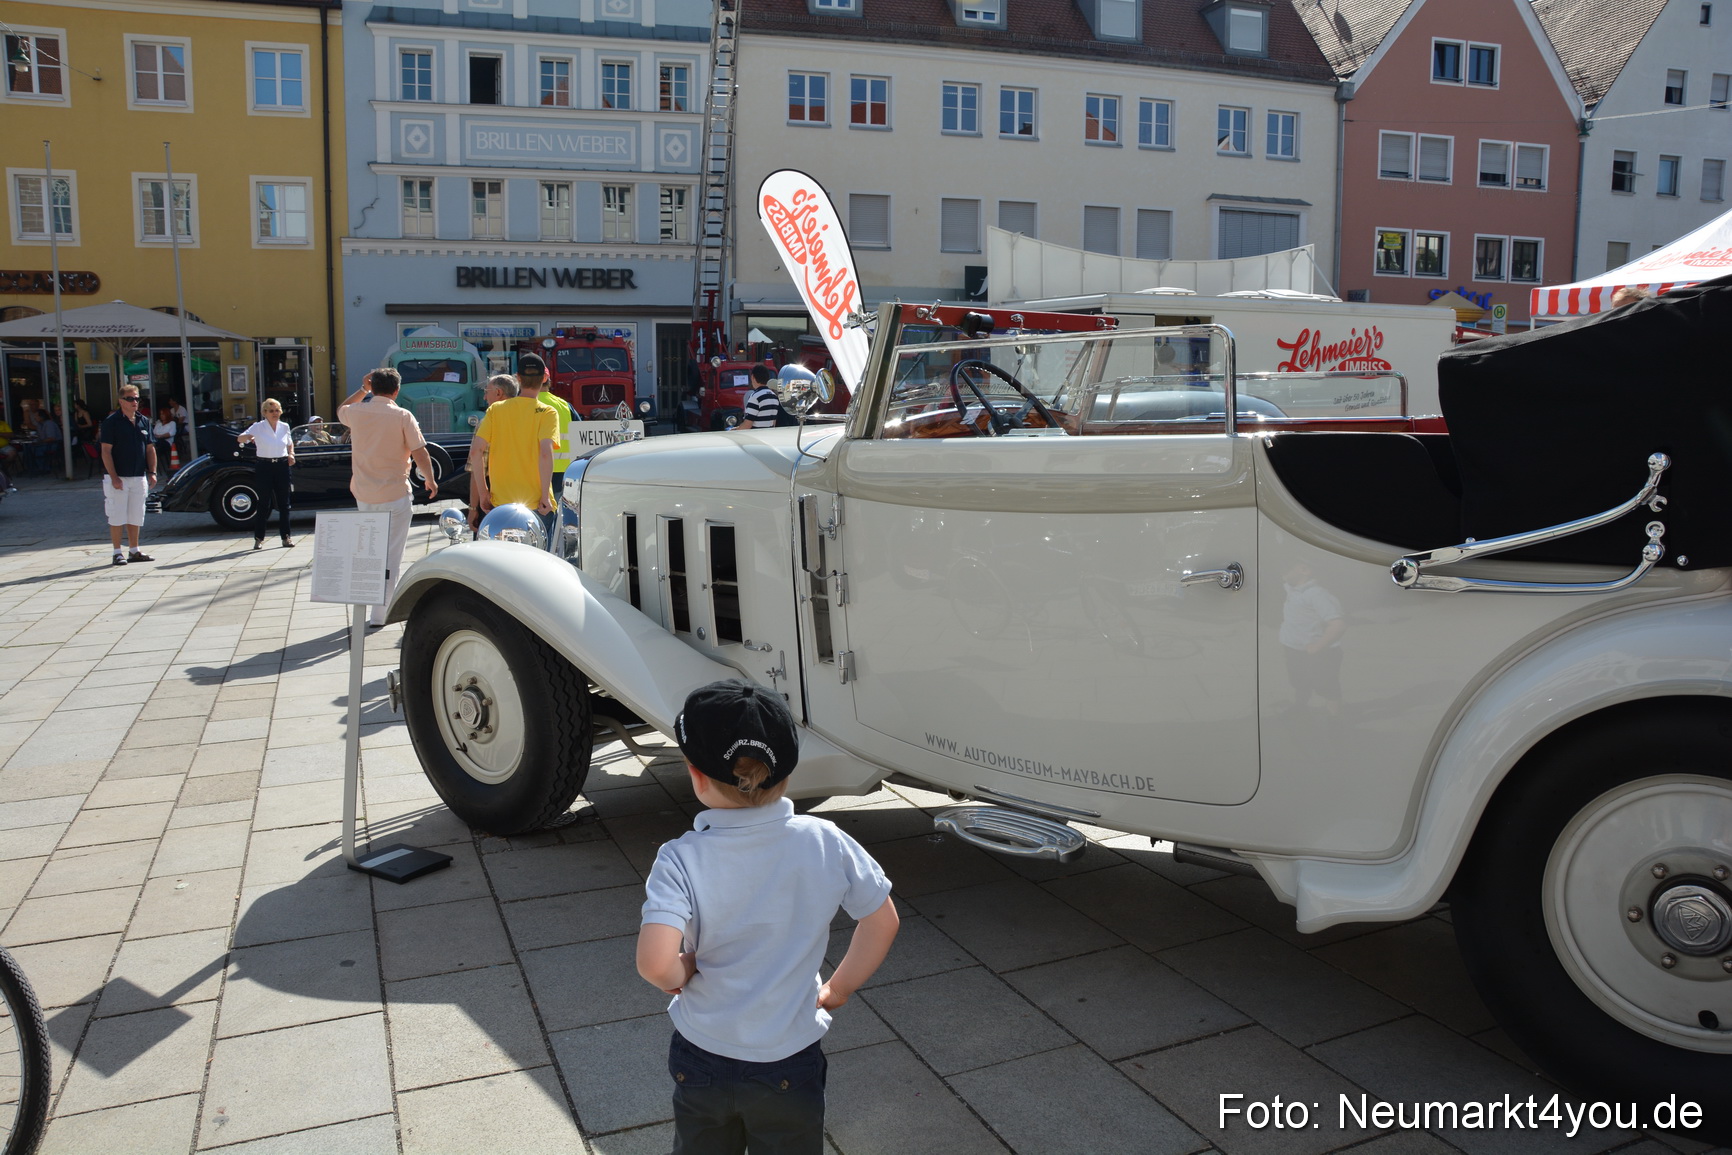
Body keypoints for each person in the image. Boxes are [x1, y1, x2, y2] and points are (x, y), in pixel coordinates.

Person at [637, 680, 900, 1155]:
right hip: (788, 1055)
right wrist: (838, 989)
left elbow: (656, 965)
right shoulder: (826, 840)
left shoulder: (679, 858)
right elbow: (882, 921)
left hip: (702, 1052)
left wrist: (684, 969)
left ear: (695, 775)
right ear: (788, 773)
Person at [338, 369, 438, 628]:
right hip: (394, 492)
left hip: (364, 492)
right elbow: (420, 451)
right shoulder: (403, 415)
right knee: (392, 554)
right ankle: (380, 614)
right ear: (396, 390)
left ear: (373, 388)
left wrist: (363, 389)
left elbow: (342, 408)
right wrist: (429, 478)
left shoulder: (357, 412)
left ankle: (366, 605)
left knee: (369, 551)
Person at [470, 372, 555, 529]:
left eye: (486, 392)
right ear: (543, 379)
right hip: (536, 503)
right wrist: (545, 495)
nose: (484, 397)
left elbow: (476, 453)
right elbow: (545, 453)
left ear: (519, 378)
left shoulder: (494, 412)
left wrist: (480, 497)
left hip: (500, 501)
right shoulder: (548, 411)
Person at [99, 386, 157, 566]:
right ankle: (117, 552)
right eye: (130, 399)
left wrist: (152, 472)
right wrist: (114, 477)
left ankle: (134, 550)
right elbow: (106, 451)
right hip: (119, 476)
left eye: (137, 399)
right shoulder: (111, 422)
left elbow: (150, 448)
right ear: (121, 401)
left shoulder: (143, 421)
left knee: (136, 514)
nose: (135, 402)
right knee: (117, 515)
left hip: (138, 475)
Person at [236, 399, 296, 549]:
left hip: (281, 465)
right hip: (265, 465)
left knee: (284, 503)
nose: (274, 413)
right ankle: (259, 538)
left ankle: (286, 537)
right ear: (264, 413)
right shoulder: (258, 427)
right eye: (271, 411)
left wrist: (291, 454)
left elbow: (289, 442)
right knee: (264, 502)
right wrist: (249, 437)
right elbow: (240, 438)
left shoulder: (284, 426)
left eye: (277, 410)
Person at [519, 353, 574, 499]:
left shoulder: (522, 403)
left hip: (532, 469)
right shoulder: (564, 405)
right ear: (547, 380)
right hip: (562, 470)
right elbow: (581, 434)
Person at [466, 375, 516, 532]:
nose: (485, 397)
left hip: (495, 501)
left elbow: (477, 467)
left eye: (487, 391)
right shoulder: (527, 418)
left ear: (499, 393)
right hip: (527, 497)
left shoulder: (488, 421)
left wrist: (473, 508)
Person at [737, 365, 784, 430]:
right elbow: (773, 422)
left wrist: (736, 430)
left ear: (753, 377)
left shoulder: (755, 396)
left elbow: (747, 424)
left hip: (756, 436)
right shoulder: (774, 397)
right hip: (769, 435)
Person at [151, 406, 178, 473]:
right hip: (157, 440)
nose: (161, 416)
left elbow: (171, 433)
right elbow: (153, 433)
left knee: (156, 444)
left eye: (163, 414)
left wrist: (160, 436)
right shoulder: (158, 423)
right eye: (160, 414)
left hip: (166, 442)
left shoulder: (172, 423)